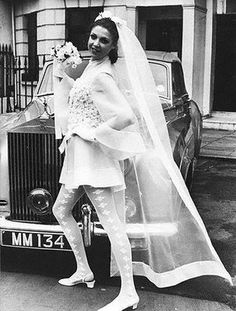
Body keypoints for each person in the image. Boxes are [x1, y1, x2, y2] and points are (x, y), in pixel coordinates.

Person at [52, 12, 232, 311]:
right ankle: (84, 270)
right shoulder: (91, 68)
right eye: (94, 37)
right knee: (60, 210)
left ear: (114, 46)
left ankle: (128, 292)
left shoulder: (103, 74)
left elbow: (126, 117)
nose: (96, 43)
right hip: (79, 158)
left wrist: (93, 133)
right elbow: (82, 99)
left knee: (113, 226)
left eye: (104, 41)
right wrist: (62, 72)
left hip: (95, 161)